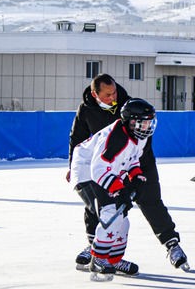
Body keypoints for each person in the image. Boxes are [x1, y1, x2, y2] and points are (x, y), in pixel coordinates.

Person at [67, 74, 188, 272]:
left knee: (150, 200)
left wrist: (136, 174)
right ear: (94, 94)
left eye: (114, 92)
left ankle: (172, 244)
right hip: (102, 165)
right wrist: (72, 165)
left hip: (136, 162)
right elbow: (78, 138)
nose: (113, 97)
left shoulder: (130, 107)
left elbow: (140, 142)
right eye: (107, 95)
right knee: (100, 206)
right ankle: (97, 250)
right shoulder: (86, 109)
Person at [70, 98, 156, 280]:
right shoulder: (116, 138)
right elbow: (98, 169)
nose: (148, 126)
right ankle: (98, 259)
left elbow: (132, 158)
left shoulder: (138, 136)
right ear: (131, 121)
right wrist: (121, 189)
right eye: (144, 122)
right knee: (111, 213)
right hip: (86, 170)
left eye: (150, 121)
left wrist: (136, 176)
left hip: (106, 170)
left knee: (123, 220)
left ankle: (114, 260)